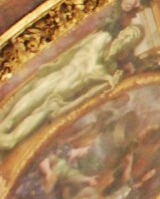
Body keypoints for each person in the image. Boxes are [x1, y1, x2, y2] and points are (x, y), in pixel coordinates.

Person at [0, 26, 142, 152]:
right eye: (127, 35)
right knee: (30, 100)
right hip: (60, 78)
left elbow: (92, 92)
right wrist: (109, 78)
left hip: (67, 94)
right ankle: (6, 124)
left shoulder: (111, 66)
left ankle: (12, 139)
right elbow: (92, 66)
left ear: (129, 47)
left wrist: (108, 83)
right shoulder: (103, 38)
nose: (125, 40)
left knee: (40, 115)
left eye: (130, 40)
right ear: (121, 33)